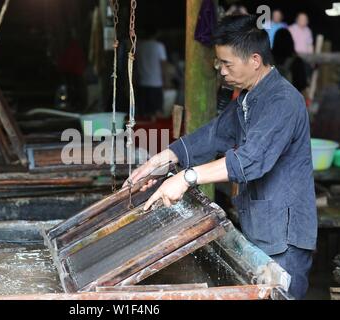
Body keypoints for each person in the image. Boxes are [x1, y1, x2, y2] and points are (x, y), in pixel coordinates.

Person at [124, 15, 317, 300]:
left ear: (254, 60)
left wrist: (186, 178)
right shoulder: (248, 99)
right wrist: (159, 162)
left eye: (227, 63)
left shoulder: (283, 101)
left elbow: (250, 160)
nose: (221, 71)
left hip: (285, 237)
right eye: (219, 62)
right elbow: (213, 135)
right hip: (262, 226)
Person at [135, 27, 168, 117]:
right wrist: (165, 81)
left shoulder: (139, 47)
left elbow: (136, 65)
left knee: (144, 114)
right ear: (156, 34)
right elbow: (163, 65)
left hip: (142, 83)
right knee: (157, 113)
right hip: (156, 84)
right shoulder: (159, 46)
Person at [272, 28, 308, 94]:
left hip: (270, 100)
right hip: (291, 100)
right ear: (291, 41)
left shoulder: (267, 60)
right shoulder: (297, 61)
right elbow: (302, 86)